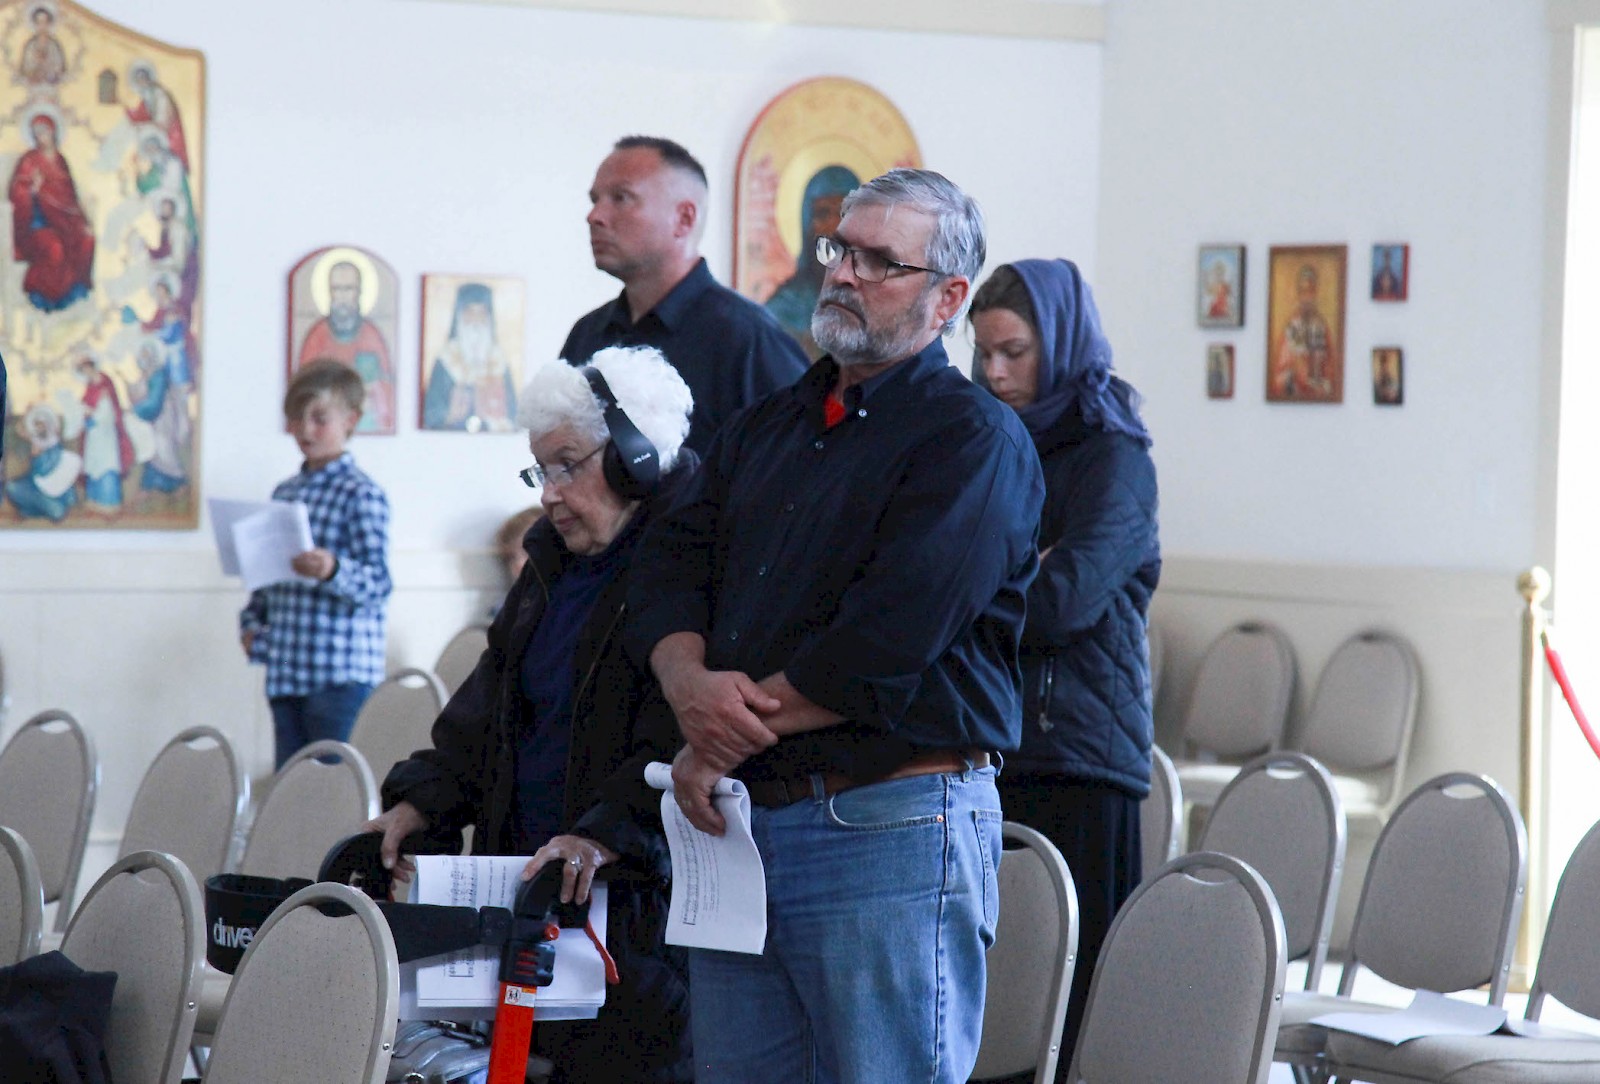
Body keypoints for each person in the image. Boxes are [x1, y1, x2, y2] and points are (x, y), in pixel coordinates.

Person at [628, 168, 1044, 1082]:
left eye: (879, 261)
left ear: (947, 299)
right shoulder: (766, 425)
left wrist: (716, 736)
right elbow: (669, 566)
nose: (846, 273)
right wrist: (687, 685)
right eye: (840, 250)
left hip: (886, 823)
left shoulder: (970, 439)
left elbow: (889, 637)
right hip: (745, 823)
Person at [368, 345, 698, 1083]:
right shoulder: (550, 564)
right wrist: (421, 802)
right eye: (539, 471)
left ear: (634, 460)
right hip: (532, 913)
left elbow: (683, 741)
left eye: (566, 466)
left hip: (640, 930)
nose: (548, 494)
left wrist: (607, 834)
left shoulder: (696, 562)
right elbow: (487, 713)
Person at [970, 259, 1161, 1077]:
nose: (994, 372)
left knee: (1066, 1018)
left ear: (1060, 344)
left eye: (1013, 352)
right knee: (995, 1011)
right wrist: (1020, 567)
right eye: (983, 353)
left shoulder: (1115, 459)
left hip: (1081, 759)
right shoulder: (988, 448)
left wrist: (987, 580)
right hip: (994, 747)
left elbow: (1061, 602)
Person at [562, 135, 808, 454]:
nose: (595, 215)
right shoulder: (587, 334)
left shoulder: (749, 340)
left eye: (621, 198)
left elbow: (797, 467)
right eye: (595, 199)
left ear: (684, 219)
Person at [239, 360, 391, 768]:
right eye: (296, 418)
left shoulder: (361, 494)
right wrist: (251, 624)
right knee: (291, 784)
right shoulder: (284, 493)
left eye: (319, 418)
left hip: (339, 676)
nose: (305, 429)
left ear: (350, 420)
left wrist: (333, 570)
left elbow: (379, 585)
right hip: (287, 670)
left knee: (334, 785)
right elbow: (267, 579)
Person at [763, 164, 859, 357]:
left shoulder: (876, 302)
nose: (833, 226)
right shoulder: (783, 308)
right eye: (823, 214)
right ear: (807, 223)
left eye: (843, 214)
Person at [8, 113, 95, 313]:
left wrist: (84, 221)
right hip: (36, 224)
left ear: (53, 131)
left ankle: (75, 291)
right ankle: (44, 297)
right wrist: (33, 189)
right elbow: (16, 192)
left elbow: (70, 199)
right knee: (54, 248)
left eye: (44, 131)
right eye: (37, 133)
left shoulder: (61, 161)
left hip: (65, 221)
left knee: (87, 239)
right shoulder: (29, 160)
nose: (41, 136)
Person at [298, 260, 394, 433]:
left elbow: (386, 390)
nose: (342, 297)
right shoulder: (316, 336)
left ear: (359, 292)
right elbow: (303, 391)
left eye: (348, 289)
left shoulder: (372, 336)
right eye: (337, 289)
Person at [422, 281, 516, 432]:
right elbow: (431, 416)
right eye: (470, 314)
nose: (475, 323)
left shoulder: (499, 362)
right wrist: (450, 413)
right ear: (459, 318)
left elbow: (514, 416)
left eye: (481, 314)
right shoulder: (445, 361)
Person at [74, 354, 134, 513]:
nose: (85, 372)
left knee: (106, 464)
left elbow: (109, 410)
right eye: (82, 370)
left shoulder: (105, 382)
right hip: (94, 435)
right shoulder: (90, 386)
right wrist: (85, 415)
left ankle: (109, 502)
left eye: (86, 368)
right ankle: (94, 499)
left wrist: (92, 416)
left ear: (92, 367)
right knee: (94, 464)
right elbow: (85, 406)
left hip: (106, 434)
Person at [5, 403, 79, 522]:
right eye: (37, 425)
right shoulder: (35, 443)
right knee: (11, 487)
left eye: (43, 425)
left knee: (57, 511)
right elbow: (33, 475)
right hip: (36, 486)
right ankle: (33, 511)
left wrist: (38, 455)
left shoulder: (54, 446)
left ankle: (38, 510)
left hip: (53, 492)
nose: (40, 428)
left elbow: (45, 471)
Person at [1272, 264, 1333, 398]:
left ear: (1315, 293)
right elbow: (1278, 377)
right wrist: (1293, 372)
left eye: (1310, 291)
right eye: (1303, 291)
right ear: (1298, 294)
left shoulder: (1322, 327)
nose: (1306, 297)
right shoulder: (1291, 327)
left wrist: (1322, 385)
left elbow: (1331, 371)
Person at [19, 6, 65, 87]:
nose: (42, 26)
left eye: (44, 22)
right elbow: (25, 68)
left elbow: (59, 67)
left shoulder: (54, 46)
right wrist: (36, 65)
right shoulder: (30, 46)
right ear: (35, 24)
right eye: (39, 22)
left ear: (49, 24)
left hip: (51, 86)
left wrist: (47, 66)